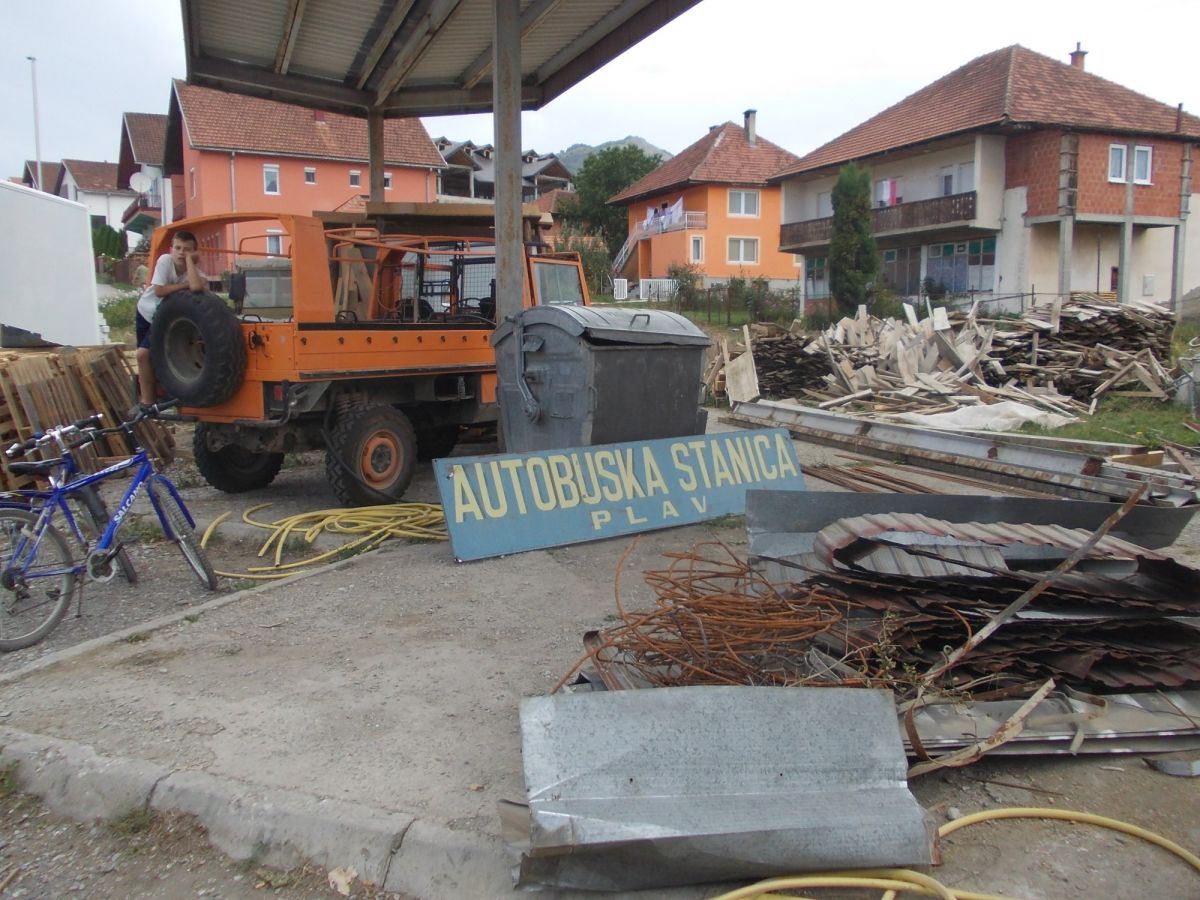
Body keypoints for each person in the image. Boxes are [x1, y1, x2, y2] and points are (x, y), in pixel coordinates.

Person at [134, 230, 207, 408]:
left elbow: (197, 286)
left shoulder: (194, 273)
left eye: (188, 250)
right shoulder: (165, 261)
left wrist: (190, 262)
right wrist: (184, 285)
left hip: (164, 320)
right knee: (145, 358)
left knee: (145, 355)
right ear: (171, 249)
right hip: (145, 312)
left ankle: (150, 401)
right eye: (178, 248)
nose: (181, 252)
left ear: (195, 253)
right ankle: (148, 401)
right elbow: (158, 290)